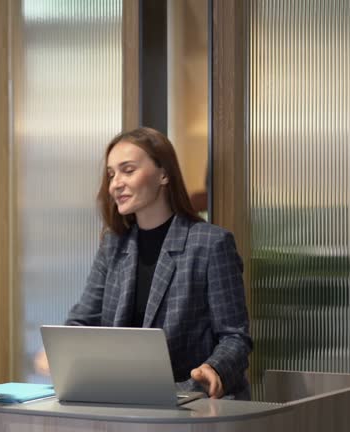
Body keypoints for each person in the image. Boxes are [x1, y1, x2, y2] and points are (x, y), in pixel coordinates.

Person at [35, 127, 252, 399]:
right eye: (111, 174)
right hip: (127, 400)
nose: (115, 183)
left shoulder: (211, 244)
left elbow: (234, 337)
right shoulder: (114, 245)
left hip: (192, 401)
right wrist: (60, 349)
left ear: (164, 174)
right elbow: (84, 320)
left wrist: (215, 369)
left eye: (128, 170)